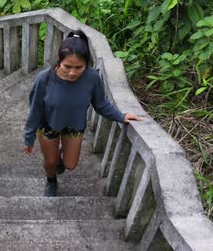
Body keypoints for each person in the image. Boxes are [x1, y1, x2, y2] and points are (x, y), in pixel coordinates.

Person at [23, 29, 143, 197]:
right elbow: (35, 109)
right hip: (48, 125)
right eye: (67, 66)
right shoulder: (44, 79)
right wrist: (29, 137)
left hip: (74, 126)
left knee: (70, 165)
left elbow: (100, 104)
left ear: (87, 63)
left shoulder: (92, 78)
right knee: (50, 162)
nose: (72, 72)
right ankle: (51, 180)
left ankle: (59, 162)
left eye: (79, 67)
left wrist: (121, 117)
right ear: (59, 60)